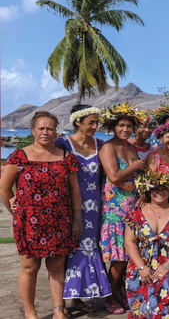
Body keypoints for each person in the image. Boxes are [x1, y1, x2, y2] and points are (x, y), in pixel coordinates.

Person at [0, 111, 83, 319]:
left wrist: (77, 218)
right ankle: (30, 313)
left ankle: (58, 310)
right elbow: (4, 188)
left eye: (50, 128)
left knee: (56, 266)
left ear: (56, 132)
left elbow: (75, 191)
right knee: (30, 267)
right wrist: (15, 212)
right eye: (41, 128)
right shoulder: (19, 156)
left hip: (59, 221)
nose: (45, 132)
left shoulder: (66, 157)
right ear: (33, 130)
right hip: (29, 223)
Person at [55, 105, 111, 313]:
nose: (95, 127)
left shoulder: (100, 144)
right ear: (77, 122)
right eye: (91, 123)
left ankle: (79, 297)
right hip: (68, 205)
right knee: (70, 248)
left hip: (94, 205)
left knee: (89, 245)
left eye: (97, 123)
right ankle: (67, 298)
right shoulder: (62, 144)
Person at [98, 102, 147, 314]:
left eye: (129, 126)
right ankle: (110, 295)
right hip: (115, 208)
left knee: (128, 256)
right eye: (121, 125)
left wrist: (144, 193)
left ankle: (118, 291)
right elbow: (115, 177)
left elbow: (137, 178)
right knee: (117, 259)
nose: (125, 129)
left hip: (131, 208)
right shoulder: (108, 147)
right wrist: (136, 166)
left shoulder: (131, 147)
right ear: (113, 126)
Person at [124, 171, 169, 319]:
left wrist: (167, 266)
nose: (159, 192)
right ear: (149, 190)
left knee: (168, 283)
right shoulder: (136, 213)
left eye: (163, 188)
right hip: (142, 262)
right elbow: (129, 242)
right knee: (142, 299)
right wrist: (141, 267)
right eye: (155, 188)